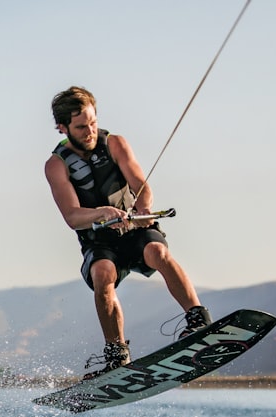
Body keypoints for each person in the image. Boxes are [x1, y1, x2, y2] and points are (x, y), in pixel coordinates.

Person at [44, 86, 211, 378]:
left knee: (158, 252)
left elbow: (141, 186)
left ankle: (197, 317)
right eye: (81, 127)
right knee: (102, 276)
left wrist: (143, 209)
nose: (90, 131)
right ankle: (116, 352)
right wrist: (102, 213)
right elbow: (72, 216)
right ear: (62, 127)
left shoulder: (115, 144)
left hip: (134, 228)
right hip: (99, 239)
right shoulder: (56, 166)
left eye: (93, 123)